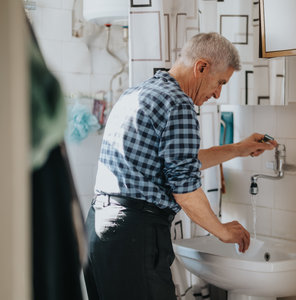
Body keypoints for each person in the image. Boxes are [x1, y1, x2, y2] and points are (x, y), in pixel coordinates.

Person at [83, 32, 277, 300]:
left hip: (99, 229)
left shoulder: (138, 93)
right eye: (220, 82)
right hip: (134, 233)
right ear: (201, 67)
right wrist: (221, 230)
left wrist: (238, 149)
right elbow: (184, 188)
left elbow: (178, 163)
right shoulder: (178, 104)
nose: (218, 93)